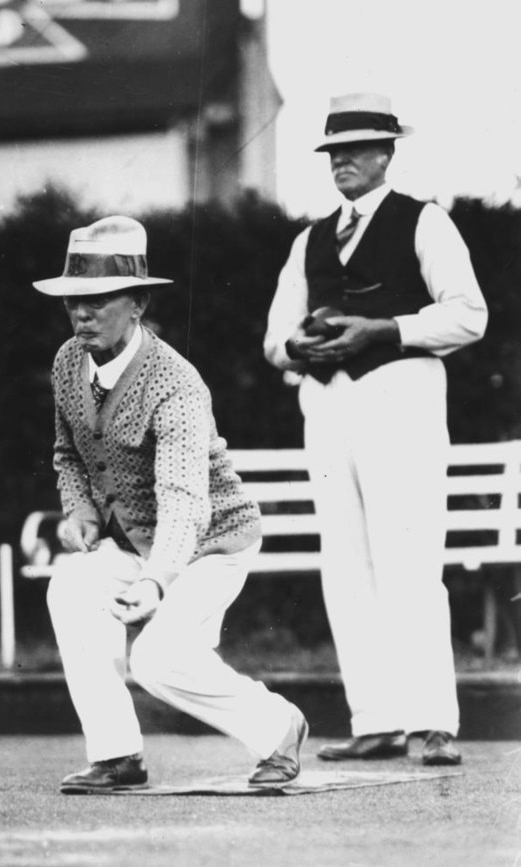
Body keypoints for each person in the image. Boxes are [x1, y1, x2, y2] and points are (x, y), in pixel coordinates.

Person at [33, 215, 307, 793]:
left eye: (98, 300)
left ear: (136, 303)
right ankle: (117, 755)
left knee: (157, 661)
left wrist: (158, 581)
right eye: (72, 301)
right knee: (70, 588)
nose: (81, 314)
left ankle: (278, 726)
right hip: (134, 541)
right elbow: (68, 454)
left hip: (210, 542)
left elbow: (185, 501)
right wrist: (79, 511)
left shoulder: (176, 383)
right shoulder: (66, 362)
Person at [264, 93, 488, 766]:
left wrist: (386, 329)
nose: (344, 162)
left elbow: (469, 315)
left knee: (410, 563)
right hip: (328, 412)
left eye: (358, 149)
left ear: (388, 153)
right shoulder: (309, 242)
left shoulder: (425, 223)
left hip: (401, 407)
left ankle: (431, 722)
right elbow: (275, 338)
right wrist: (303, 346)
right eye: (334, 151)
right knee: (347, 566)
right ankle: (378, 717)